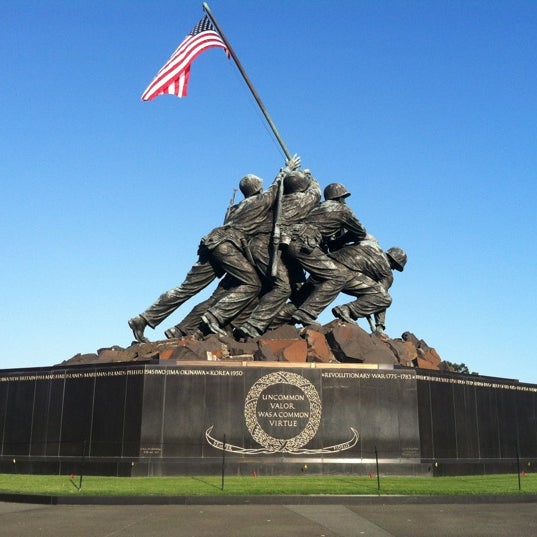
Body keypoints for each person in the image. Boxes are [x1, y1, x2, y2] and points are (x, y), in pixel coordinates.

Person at [128, 157, 300, 343]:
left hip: (211, 244)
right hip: (227, 246)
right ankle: (214, 317)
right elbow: (277, 186)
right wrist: (288, 169)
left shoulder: (236, 208)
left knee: (186, 289)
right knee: (253, 284)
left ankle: (144, 318)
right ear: (257, 188)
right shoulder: (258, 201)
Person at [283, 182, 383, 326]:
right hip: (305, 244)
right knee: (338, 276)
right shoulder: (343, 210)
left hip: (290, 241)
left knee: (299, 290)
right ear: (339, 197)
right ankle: (306, 313)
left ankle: (277, 319)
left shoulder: (317, 207)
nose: (345, 200)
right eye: (344, 197)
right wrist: (341, 239)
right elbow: (360, 232)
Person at [330, 235, 407, 335]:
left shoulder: (369, 248)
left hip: (332, 266)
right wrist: (380, 325)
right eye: (395, 267)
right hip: (349, 279)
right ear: (394, 263)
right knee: (384, 298)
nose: (393, 269)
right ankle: (347, 309)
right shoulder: (387, 273)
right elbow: (381, 297)